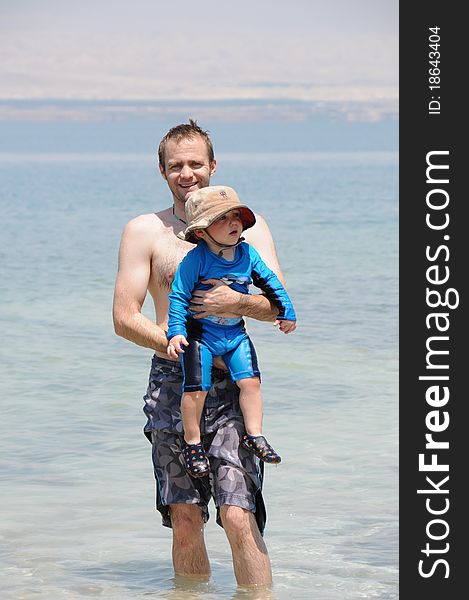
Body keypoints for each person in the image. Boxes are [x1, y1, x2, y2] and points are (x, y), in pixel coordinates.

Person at [113, 120, 290, 586]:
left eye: (196, 163)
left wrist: (237, 303)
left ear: (213, 165)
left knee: (238, 513)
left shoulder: (248, 226)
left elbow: (278, 305)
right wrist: (175, 344)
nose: (187, 173)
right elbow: (123, 317)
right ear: (162, 170)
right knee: (186, 516)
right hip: (173, 380)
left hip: (232, 379)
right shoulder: (145, 230)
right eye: (176, 165)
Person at [166, 185, 296, 478]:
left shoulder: (247, 254)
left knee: (251, 383)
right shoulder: (195, 260)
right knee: (196, 388)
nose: (233, 222)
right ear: (201, 232)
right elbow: (179, 297)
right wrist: (175, 333)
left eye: (236, 216)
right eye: (222, 219)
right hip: (202, 336)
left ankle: (255, 434)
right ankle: (192, 442)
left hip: (236, 335)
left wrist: (288, 312)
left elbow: (272, 284)